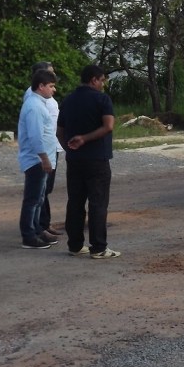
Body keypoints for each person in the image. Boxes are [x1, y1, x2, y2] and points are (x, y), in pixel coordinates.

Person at [57, 64, 120, 259]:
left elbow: (59, 132)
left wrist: (70, 147)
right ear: (94, 80)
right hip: (97, 159)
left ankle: (75, 245)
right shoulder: (102, 99)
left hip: (75, 160)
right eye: (102, 81)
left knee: (75, 202)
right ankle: (99, 247)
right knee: (98, 203)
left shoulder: (68, 100)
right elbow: (108, 126)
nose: (103, 84)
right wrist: (85, 139)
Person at [17, 69, 59, 249]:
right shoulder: (34, 106)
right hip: (36, 161)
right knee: (32, 199)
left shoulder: (39, 103)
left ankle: (36, 230)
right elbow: (35, 137)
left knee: (39, 198)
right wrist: (45, 159)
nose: (53, 90)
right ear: (40, 86)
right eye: (51, 86)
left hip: (40, 159)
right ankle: (29, 236)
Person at [24, 61, 64, 236]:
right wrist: (44, 156)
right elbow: (35, 131)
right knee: (39, 191)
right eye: (50, 73)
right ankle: (37, 227)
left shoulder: (43, 97)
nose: (54, 75)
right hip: (43, 150)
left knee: (44, 189)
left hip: (50, 146)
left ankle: (42, 224)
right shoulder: (34, 99)